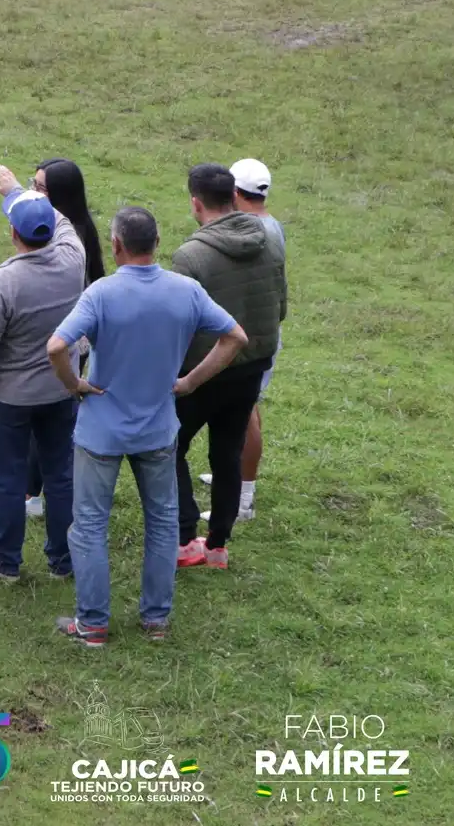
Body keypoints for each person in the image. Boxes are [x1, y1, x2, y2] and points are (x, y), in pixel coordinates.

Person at [45, 207, 248, 647]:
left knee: (90, 527)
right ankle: (155, 621)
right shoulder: (186, 291)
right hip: (157, 429)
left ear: (116, 246)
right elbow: (236, 337)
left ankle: (93, 624)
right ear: (157, 244)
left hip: (100, 433)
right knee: (161, 522)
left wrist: (75, 384)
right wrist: (191, 381)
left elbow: (57, 345)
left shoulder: (101, 294)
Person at [0, 168, 85, 582]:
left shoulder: (4, 281)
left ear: (13, 233)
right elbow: (63, 221)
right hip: (61, 389)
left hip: (13, 398)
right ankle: (63, 561)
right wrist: (21, 193)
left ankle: (5, 562)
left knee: (10, 480)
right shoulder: (73, 258)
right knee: (61, 477)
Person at [169, 164, 285, 571]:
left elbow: (176, 327)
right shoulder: (270, 242)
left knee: (170, 448)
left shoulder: (190, 256)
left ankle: (185, 540)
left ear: (196, 203)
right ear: (234, 196)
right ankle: (218, 546)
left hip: (204, 371)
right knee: (227, 451)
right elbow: (280, 307)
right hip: (252, 366)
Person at [18, 157, 105, 519]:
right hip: (64, 334)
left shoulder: (70, 237)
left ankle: (34, 493)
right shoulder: (73, 227)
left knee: (50, 418)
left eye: (40, 189)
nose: (34, 193)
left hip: (63, 337)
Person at [229, 158, 282, 522]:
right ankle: (233, 475)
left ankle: (243, 498)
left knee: (245, 412)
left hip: (250, 338)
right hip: (263, 333)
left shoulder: (251, 232)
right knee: (247, 408)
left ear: (234, 192)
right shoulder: (272, 225)